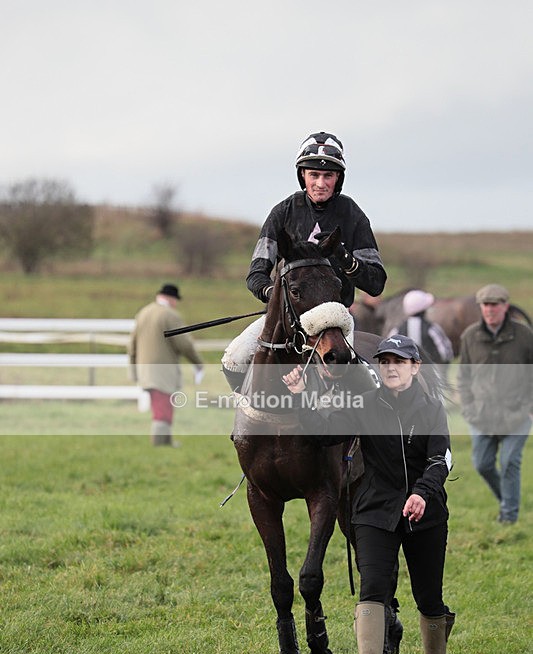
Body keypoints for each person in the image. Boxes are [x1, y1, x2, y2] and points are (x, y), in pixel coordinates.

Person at [283, 334, 455, 654]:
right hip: (375, 510)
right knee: (372, 588)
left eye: (399, 361)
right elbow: (324, 433)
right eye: (384, 361)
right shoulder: (365, 404)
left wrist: (422, 494)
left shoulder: (431, 409)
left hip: (426, 512)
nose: (391, 368)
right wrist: (300, 397)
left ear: (415, 367)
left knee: (428, 597)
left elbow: (441, 460)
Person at [222, 131, 387, 388]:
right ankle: (248, 416)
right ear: (303, 175)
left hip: (334, 319)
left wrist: (343, 257)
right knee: (234, 358)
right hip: (285, 316)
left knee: (354, 386)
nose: (320, 183)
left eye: (328, 176)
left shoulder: (353, 215)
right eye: (314, 175)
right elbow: (256, 274)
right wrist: (274, 294)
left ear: (338, 178)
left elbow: (376, 283)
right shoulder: (282, 213)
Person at [458, 283, 533, 524]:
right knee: (482, 464)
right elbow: (463, 376)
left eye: (495, 305)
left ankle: (509, 516)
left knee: (510, 461)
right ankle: (507, 500)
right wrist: (468, 407)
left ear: (505, 307)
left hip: (517, 413)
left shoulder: (524, 335)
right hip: (481, 415)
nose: (490, 310)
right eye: (486, 305)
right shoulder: (469, 336)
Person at [128, 283, 204, 446]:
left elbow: (132, 345)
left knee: (162, 406)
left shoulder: (143, 312)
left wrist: (134, 371)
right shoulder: (169, 315)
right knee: (162, 409)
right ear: (171, 299)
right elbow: (184, 343)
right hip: (162, 371)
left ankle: (166, 442)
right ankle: (159, 444)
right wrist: (198, 363)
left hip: (145, 370)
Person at [388, 290, 454, 370]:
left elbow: (388, 351)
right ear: (424, 309)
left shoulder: (397, 330)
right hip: (430, 374)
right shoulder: (432, 329)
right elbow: (445, 354)